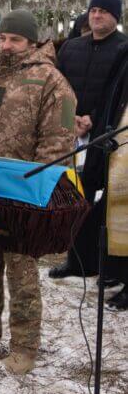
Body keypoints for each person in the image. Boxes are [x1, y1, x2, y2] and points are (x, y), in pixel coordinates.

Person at [0, 10, 77, 373]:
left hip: (24, 196)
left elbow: (59, 142)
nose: (7, 45)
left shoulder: (51, 82)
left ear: (31, 42)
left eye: (15, 40)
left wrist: (38, 191)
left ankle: (25, 347)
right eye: (2, 38)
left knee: (22, 274)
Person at [51, 0, 128, 279]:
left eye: (104, 12)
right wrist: (69, 119)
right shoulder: (71, 48)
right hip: (71, 132)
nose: (96, 16)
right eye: (93, 10)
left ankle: (109, 265)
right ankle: (76, 261)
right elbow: (58, 87)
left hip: (107, 135)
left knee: (108, 204)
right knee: (76, 198)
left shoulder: (123, 49)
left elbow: (117, 94)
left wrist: (93, 119)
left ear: (116, 17)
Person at [72, 42, 128, 311]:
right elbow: (112, 95)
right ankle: (117, 269)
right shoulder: (125, 53)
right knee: (116, 211)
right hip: (119, 143)